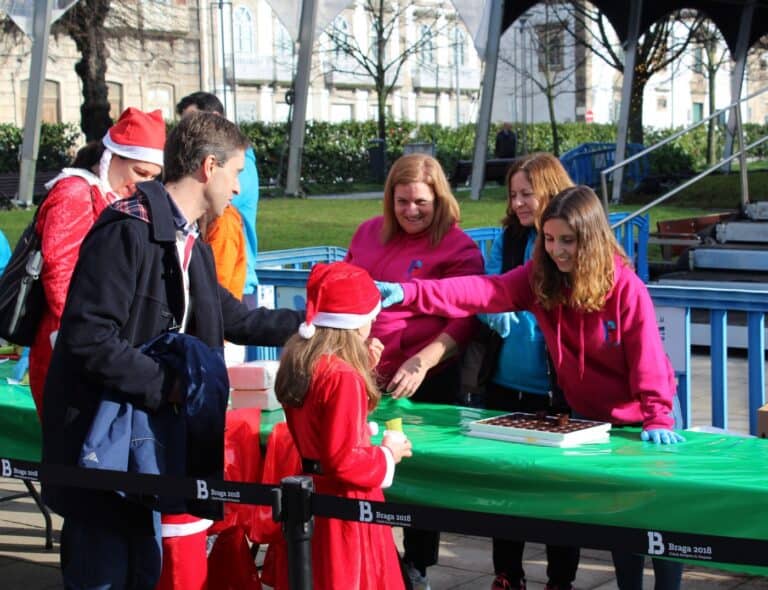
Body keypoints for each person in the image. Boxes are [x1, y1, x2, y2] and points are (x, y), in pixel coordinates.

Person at [40, 112, 304, 590]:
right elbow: (88, 338)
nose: (239, 189)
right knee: (103, 575)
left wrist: (314, 328)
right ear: (208, 166)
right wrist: (174, 386)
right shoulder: (128, 229)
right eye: (237, 173)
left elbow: (235, 317)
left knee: (141, 572)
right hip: (102, 449)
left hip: (141, 450)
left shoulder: (188, 240)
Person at [377, 185, 685, 590]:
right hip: (593, 421)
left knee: (658, 519)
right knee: (621, 519)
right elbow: (481, 291)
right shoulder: (542, 279)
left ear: (590, 239)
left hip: (647, 417)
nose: (558, 250)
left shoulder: (626, 288)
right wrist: (410, 292)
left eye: (568, 241)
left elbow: (647, 358)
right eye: (550, 239)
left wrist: (657, 415)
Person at [344, 153, 484, 590]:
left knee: (417, 468)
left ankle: (417, 564)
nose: (410, 211)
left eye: (420, 202)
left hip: (425, 374)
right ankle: (370, 552)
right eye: (402, 201)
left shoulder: (458, 247)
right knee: (362, 459)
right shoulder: (369, 233)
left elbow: (465, 317)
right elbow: (345, 289)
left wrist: (423, 360)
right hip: (366, 371)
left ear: (438, 199)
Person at [275, 261, 412, 590]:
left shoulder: (303, 360)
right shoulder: (342, 376)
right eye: (371, 315)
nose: (375, 321)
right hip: (345, 503)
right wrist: (387, 454)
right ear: (355, 321)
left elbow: (325, 426)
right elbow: (344, 459)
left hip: (310, 488)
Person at [478, 153, 580, 590]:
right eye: (514, 194)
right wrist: (492, 313)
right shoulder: (509, 239)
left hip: (557, 390)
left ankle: (561, 579)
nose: (519, 203)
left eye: (527, 193)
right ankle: (508, 573)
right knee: (507, 487)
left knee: (559, 492)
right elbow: (488, 289)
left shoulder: (577, 243)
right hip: (507, 381)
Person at [29, 107, 167, 417]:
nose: (141, 186)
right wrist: (98, 342)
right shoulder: (76, 193)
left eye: (152, 178)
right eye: (139, 173)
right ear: (112, 157)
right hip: (70, 349)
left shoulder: (111, 197)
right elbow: (60, 278)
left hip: (98, 346)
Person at [176, 92, 260, 299]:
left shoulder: (239, 165)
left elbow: (221, 198)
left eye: (192, 122)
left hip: (234, 285)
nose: (185, 133)